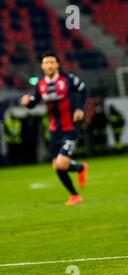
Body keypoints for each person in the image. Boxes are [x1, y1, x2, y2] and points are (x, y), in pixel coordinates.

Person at [21, 51, 89, 206]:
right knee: (57, 166)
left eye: (52, 62)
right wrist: (27, 102)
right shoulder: (41, 85)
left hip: (70, 127)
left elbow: (85, 90)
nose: (49, 65)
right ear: (42, 66)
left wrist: (80, 108)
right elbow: (33, 102)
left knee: (61, 163)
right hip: (54, 130)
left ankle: (77, 181)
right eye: (46, 62)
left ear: (57, 64)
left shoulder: (68, 79)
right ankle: (76, 186)